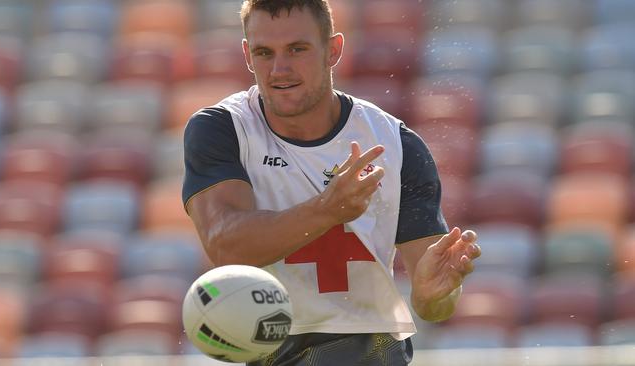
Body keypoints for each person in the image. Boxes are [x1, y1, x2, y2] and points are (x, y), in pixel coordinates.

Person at [182, 1, 481, 365]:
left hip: (375, 353)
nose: (280, 69)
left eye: (297, 49)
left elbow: (432, 305)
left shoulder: (397, 143)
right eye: (264, 52)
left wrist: (435, 294)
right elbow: (225, 246)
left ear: (333, 50)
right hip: (273, 352)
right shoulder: (222, 129)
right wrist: (328, 209)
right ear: (247, 55)